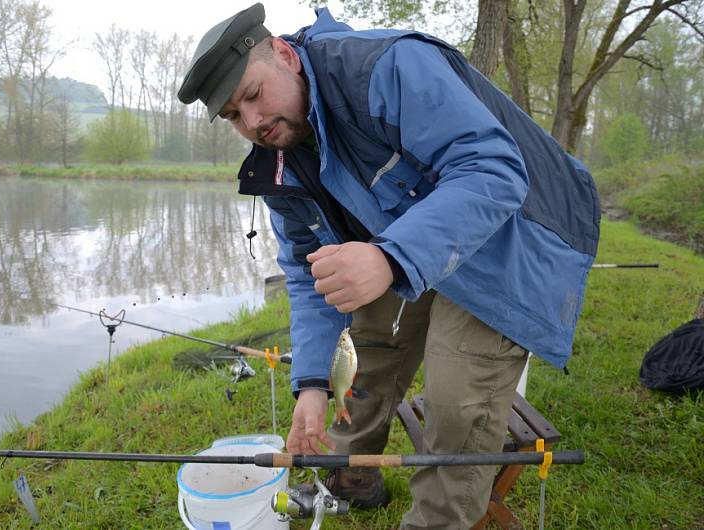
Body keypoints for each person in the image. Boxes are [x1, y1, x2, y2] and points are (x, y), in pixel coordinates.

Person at [178, 4, 600, 529]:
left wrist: (389, 257)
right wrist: (310, 385)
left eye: (253, 95)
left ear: (284, 55)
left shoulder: (386, 67)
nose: (254, 122)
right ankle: (350, 473)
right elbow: (311, 277)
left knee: (454, 404)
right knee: (367, 343)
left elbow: (493, 169)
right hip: (408, 244)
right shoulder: (278, 162)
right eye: (234, 117)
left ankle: (440, 519)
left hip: (507, 239)